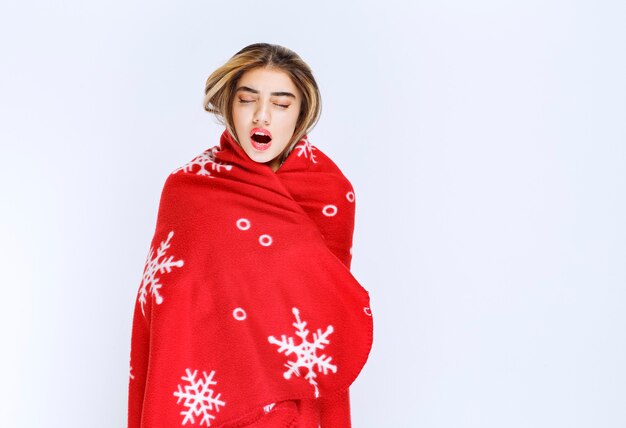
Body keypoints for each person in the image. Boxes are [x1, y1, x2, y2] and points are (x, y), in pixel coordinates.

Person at [128, 43, 373, 427]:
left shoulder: (328, 193)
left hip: (292, 401)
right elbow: (168, 308)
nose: (262, 116)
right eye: (248, 100)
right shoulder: (189, 191)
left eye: (281, 104)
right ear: (229, 106)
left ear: (300, 114)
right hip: (205, 400)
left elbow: (328, 312)